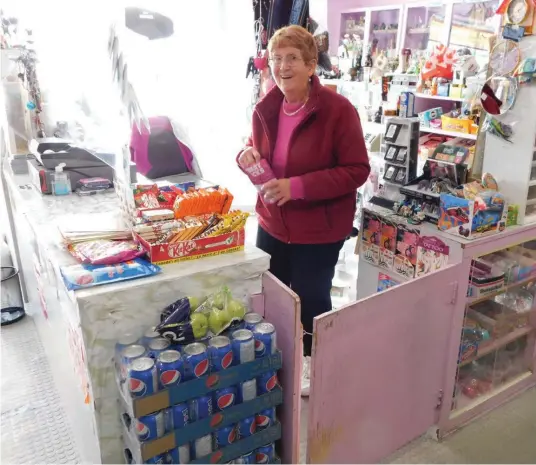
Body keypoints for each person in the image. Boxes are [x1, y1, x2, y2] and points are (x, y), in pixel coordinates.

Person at [237, 25, 370, 396]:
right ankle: (279, 355)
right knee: (275, 296)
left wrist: (295, 187)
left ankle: (315, 361)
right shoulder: (265, 107)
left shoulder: (338, 111)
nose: (282, 66)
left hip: (319, 228)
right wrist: (246, 157)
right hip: (272, 222)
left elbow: (356, 170)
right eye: (276, 58)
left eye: (292, 58)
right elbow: (255, 149)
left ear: (312, 65)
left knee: (311, 296)